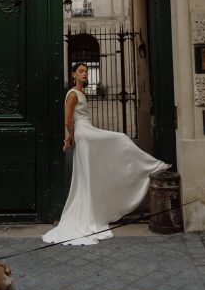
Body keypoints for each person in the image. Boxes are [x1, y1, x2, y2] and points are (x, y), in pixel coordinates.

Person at [42, 62, 171, 246]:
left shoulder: (82, 93)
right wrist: (72, 137)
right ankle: (152, 165)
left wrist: (72, 137)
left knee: (92, 172)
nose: (85, 74)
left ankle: (95, 207)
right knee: (120, 139)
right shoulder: (72, 94)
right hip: (83, 134)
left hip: (86, 132)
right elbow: (67, 120)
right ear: (73, 75)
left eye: (86, 71)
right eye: (81, 71)